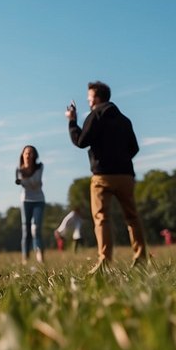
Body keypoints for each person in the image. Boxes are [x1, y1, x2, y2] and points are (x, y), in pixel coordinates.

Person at [67, 81, 148, 269]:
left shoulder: (95, 115)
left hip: (102, 176)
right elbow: (134, 148)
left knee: (102, 217)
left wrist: (72, 121)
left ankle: (105, 260)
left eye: (89, 96)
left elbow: (81, 141)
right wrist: (121, 159)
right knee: (132, 217)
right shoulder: (125, 120)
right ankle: (141, 257)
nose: (88, 99)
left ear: (96, 97)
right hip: (126, 174)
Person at [16, 145, 45, 263]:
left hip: (39, 200)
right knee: (25, 229)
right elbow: (25, 184)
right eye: (26, 153)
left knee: (36, 228)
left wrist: (25, 177)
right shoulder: (18, 169)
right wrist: (25, 179)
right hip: (25, 200)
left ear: (34, 155)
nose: (28, 155)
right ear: (23, 155)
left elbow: (36, 183)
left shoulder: (40, 167)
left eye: (31, 153)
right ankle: (25, 257)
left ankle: (39, 254)